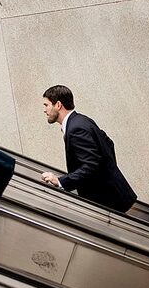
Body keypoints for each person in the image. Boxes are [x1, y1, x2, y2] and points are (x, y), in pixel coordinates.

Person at [40, 85, 137, 213]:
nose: (44, 110)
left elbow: (91, 165)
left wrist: (60, 181)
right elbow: (109, 143)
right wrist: (109, 171)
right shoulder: (82, 120)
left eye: (46, 105)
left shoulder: (75, 129)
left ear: (58, 105)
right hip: (115, 198)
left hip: (108, 203)